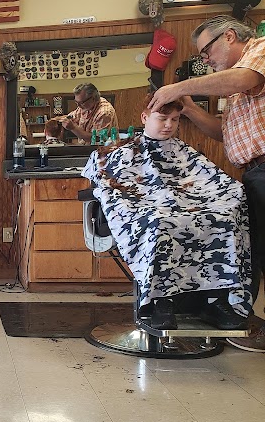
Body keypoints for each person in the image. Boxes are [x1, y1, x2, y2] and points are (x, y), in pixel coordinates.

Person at [82, 98, 252, 331]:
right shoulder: (120, 152)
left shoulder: (184, 152)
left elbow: (213, 183)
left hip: (188, 208)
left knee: (222, 220)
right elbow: (108, 186)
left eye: (175, 119)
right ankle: (161, 302)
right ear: (145, 118)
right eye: (162, 119)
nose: (168, 125)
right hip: (145, 211)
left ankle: (214, 300)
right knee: (161, 223)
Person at [149, 15, 265, 350]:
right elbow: (223, 134)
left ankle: (230, 310)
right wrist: (186, 109)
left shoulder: (258, 52)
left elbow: (241, 79)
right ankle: (219, 308)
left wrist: (180, 87)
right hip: (254, 171)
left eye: (206, 52)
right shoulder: (236, 88)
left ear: (229, 36)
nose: (206, 60)